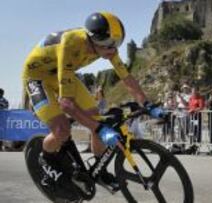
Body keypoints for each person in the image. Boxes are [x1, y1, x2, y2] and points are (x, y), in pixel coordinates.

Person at [22, 12, 164, 189]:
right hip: (38, 77)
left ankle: (100, 169)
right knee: (62, 129)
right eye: (107, 45)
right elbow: (66, 103)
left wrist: (147, 104)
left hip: (62, 73)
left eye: (116, 44)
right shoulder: (71, 44)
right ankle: (46, 158)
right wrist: (97, 128)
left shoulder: (106, 46)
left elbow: (127, 78)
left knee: (96, 117)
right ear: (92, 39)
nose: (112, 50)